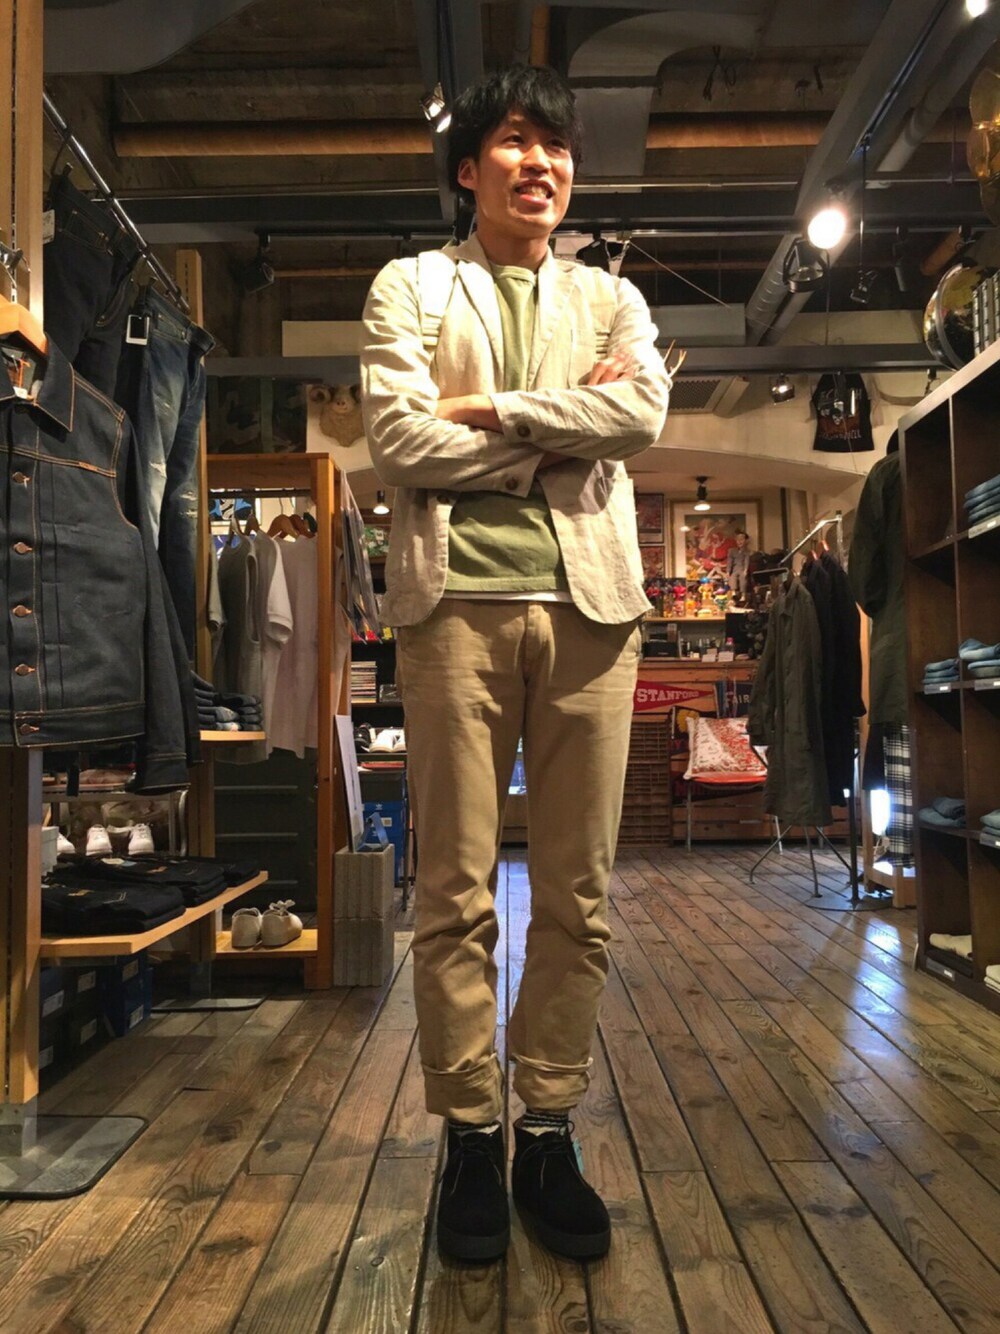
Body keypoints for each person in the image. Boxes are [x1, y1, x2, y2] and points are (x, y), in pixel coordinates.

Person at [361, 64, 670, 1264]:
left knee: (579, 893)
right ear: (468, 168)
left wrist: (488, 412)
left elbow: (640, 417)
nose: (539, 162)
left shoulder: (612, 296)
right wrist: (558, 425)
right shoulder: (412, 284)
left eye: (555, 145)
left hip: (594, 610)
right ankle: (467, 1135)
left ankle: (544, 1127)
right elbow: (399, 439)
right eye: (513, 140)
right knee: (454, 890)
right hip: (454, 610)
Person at [726, 528, 750, 601]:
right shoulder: (732, 550)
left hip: (742, 568)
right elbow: (729, 561)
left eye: (741, 540)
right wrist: (728, 571)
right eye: (738, 540)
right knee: (732, 577)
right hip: (735, 569)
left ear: (745, 541)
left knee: (743, 578)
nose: (740, 542)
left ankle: (743, 594)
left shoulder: (746, 551)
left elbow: (746, 560)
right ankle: (733, 592)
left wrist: (745, 570)